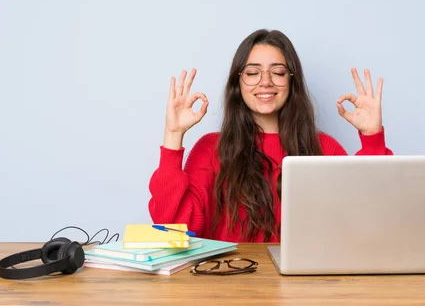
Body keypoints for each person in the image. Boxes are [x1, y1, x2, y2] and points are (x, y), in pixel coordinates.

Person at [148, 29, 393, 243]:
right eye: (253, 73)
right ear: (238, 83)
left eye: (277, 72)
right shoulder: (210, 149)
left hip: (305, 290)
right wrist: (173, 135)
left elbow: (369, 220)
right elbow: (173, 230)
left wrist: (372, 137)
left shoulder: (324, 148)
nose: (265, 82)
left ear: (292, 81)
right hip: (227, 289)